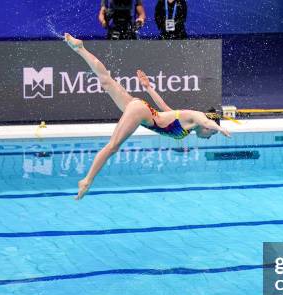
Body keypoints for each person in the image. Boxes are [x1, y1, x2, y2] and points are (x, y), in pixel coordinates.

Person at [63, 33, 230, 200]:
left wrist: (148, 88)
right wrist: (220, 128)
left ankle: (80, 48)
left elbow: (165, 109)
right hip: (140, 112)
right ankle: (87, 180)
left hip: (141, 109)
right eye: (211, 134)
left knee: (106, 80)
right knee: (112, 146)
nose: (208, 138)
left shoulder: (188, 123)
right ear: (208, 127)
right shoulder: (197, 117)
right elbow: (205, 119)